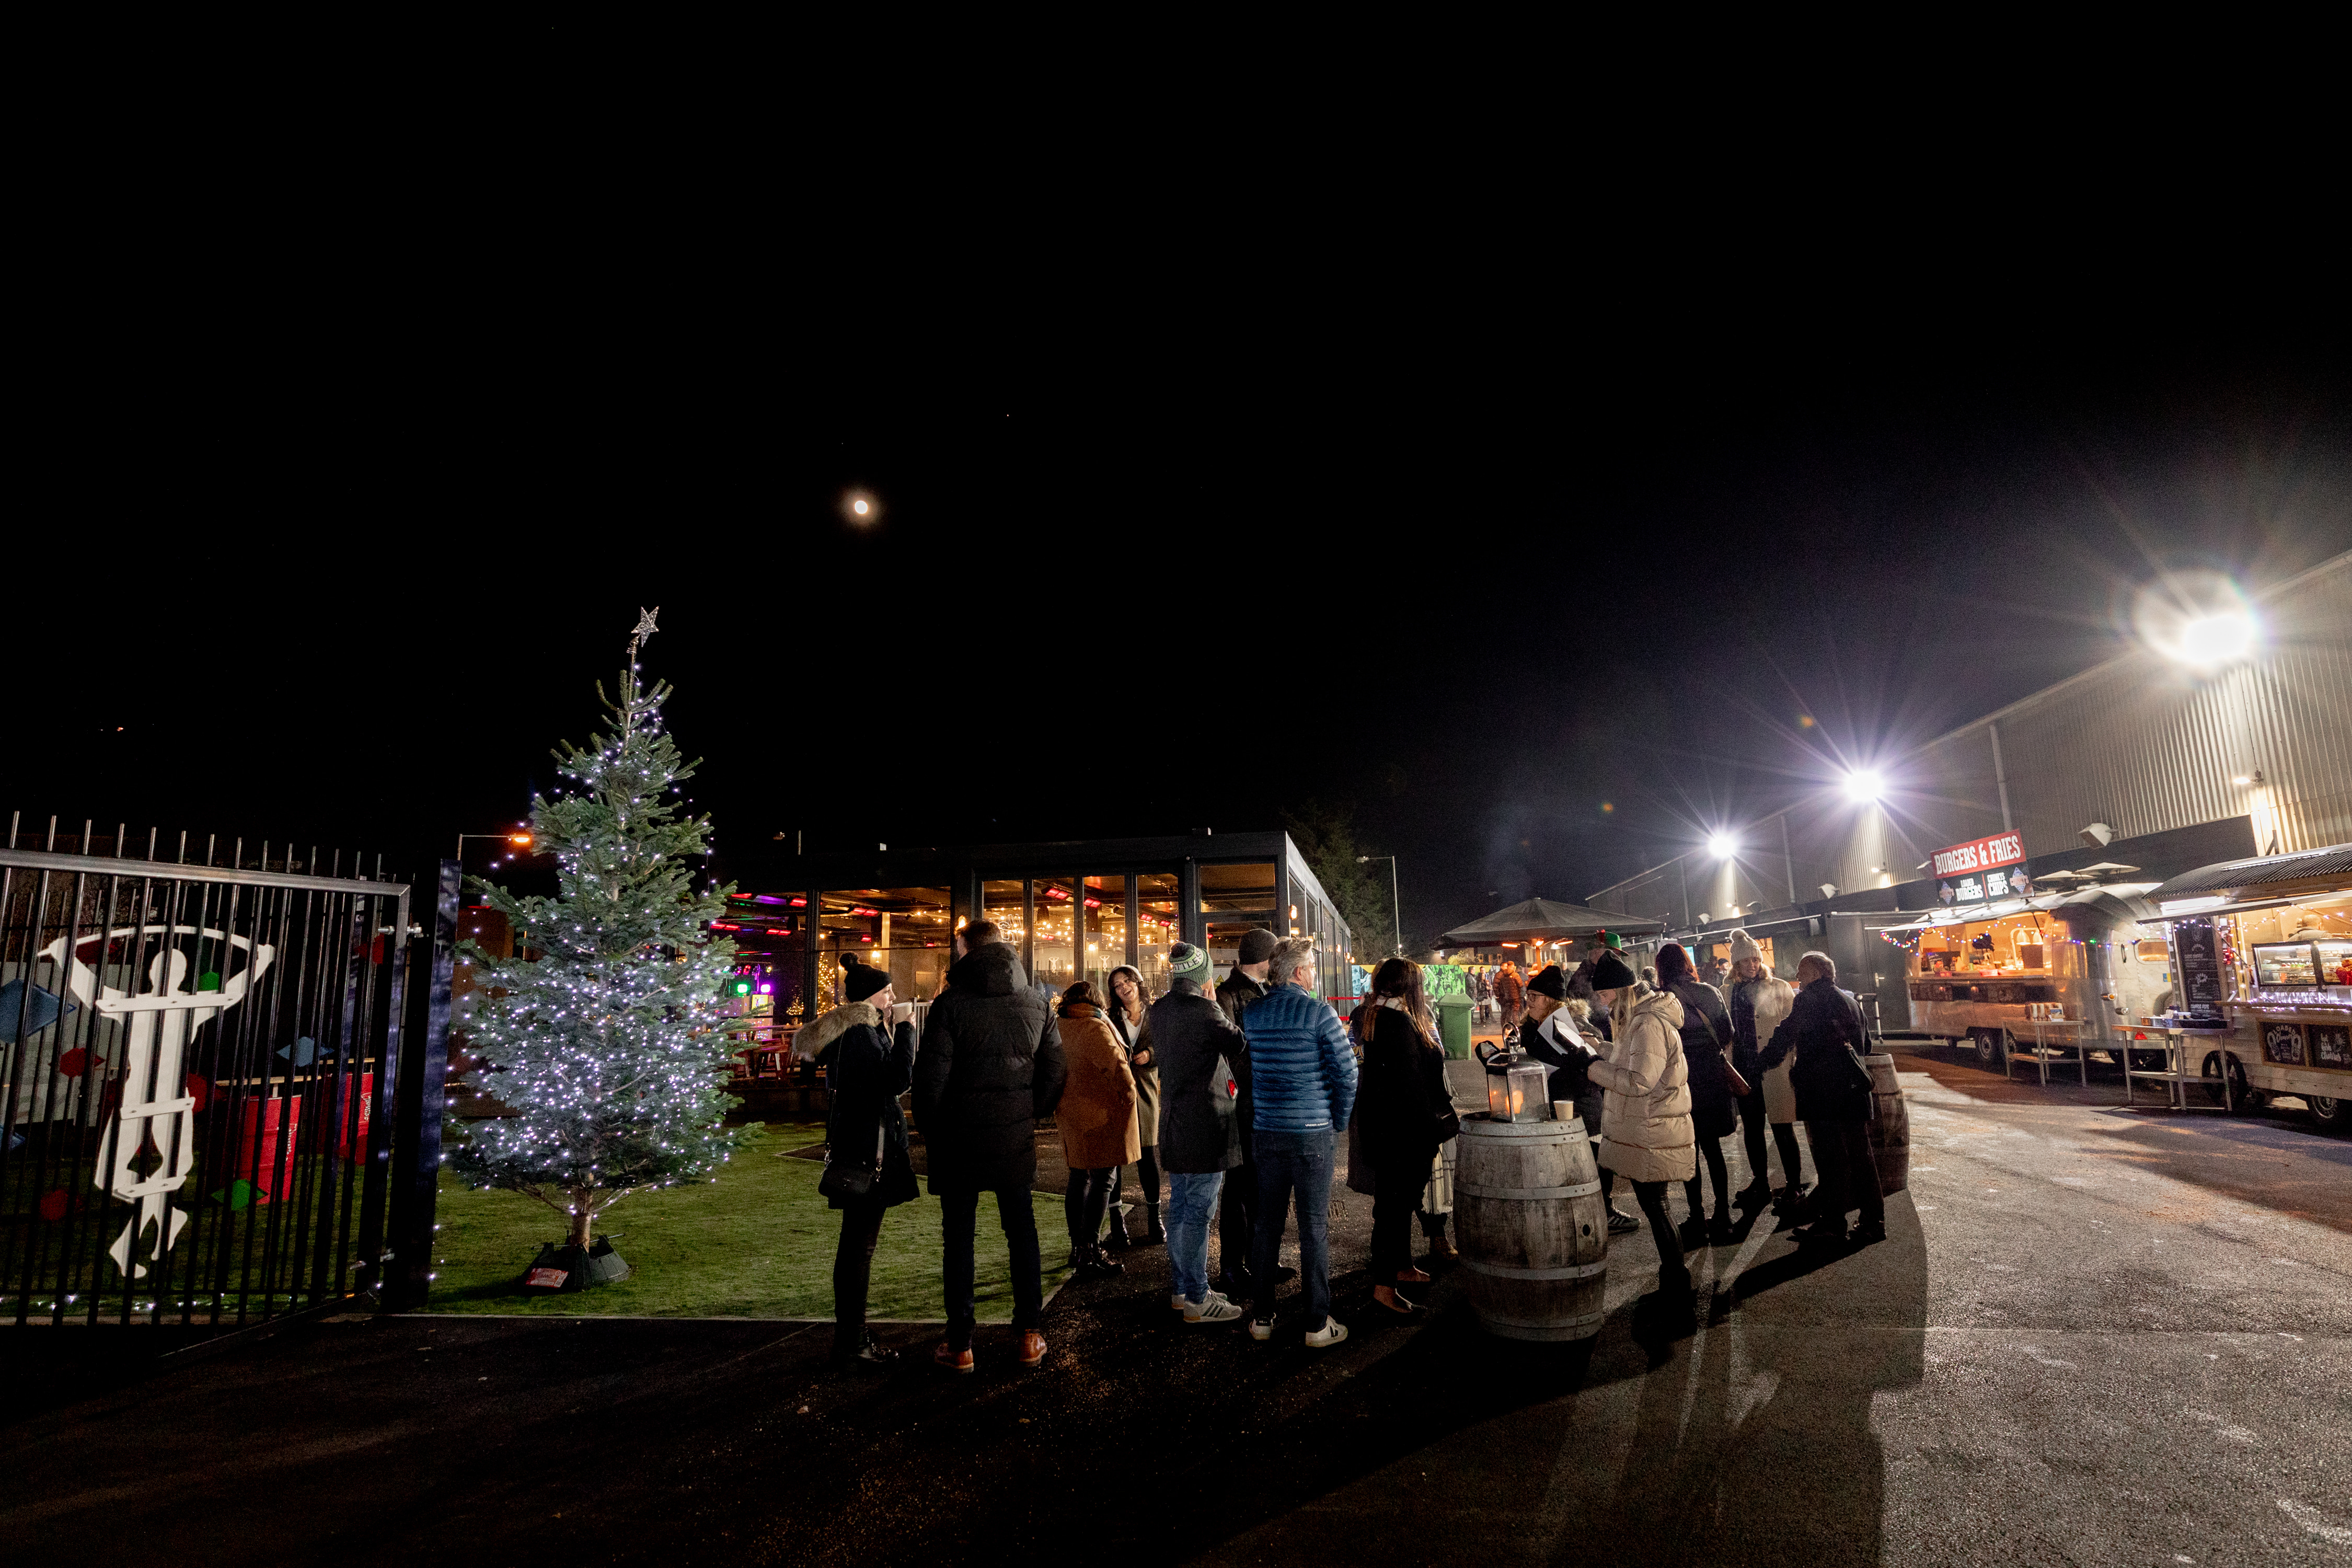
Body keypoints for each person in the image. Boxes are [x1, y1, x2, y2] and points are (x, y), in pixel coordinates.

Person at [913, 919, 1069, 1373]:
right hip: (1013, 1136)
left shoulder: (950, 1005)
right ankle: (1029, 1335)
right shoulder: (1037, 1003)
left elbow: (929, 1081)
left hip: (958, 1139)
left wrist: (934, 1129)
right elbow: (1055, 1071)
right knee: (1022, 1233)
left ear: (967, 949)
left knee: (959, 1240)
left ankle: (961, 1343)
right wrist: (1028, 1112)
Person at [1242, 937, 1358, 1348]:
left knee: (1266, 1225)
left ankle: (1262, 1318)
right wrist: (1338, 1119)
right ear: (1297, 972)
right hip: (1312, 1133)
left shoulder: (1253, 1014)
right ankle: (1315, 1323)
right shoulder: (1319, 1013)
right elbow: (1346, 1074)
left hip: (1268, 1132)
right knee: (1313, 1228)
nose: (1314, 973)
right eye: (1310, 966)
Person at [816, 962, 919, 1368]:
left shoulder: (853, 1031)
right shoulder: (860, 1033)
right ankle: (852, 1341)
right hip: (866, 1153)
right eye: (888, 993)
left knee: (856, 1246)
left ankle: (852, 1335)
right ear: (870, 996)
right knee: (859, 1248)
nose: (893, 999)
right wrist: (908, 1029)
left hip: (855, 1146)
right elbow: (895, 1079)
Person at [1584, 949, 1695, 1291]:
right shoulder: (1638, 1018)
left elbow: (1639, 1081)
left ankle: (1677, 1283)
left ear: (1622, 990)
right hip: (1649, 1125)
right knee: (1655, 1206)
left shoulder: (1648, 1022)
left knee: (1658, 1208)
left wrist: (1591, 1068)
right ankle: (1675, 1279)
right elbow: (1628, 1061)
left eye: (1604, 995)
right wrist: (1598, 1049)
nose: (1602, 1003)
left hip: (1653, 1127)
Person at [1148, 941, 1248, 1323]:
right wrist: (1212, 1001)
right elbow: (1238, 1042)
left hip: (1174, 1122)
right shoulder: (1206, 1010)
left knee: (1180, 1207)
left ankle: (1182, 1287)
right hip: (1206, 1124)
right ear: (1202, 975)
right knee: (1198, 1214)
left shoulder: (1160, 1009)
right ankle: (1197, 1296)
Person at [1757, 951, 1885, 1248]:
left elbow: (1784, 1036)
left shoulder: (1807, 1000)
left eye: (1802, 973)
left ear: (1816, 974)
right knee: (1862, 1158)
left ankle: (1832, 1224)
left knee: (1831, 1161)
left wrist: (1758, 1064)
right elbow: (1864, 1045)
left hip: (1823, 1093)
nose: (1799, 979)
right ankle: (1872, 1222)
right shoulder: (1852, 1002)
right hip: (1854, 1091)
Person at [1352, 958, 1456, 1319]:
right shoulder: (1398, 1023)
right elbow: (1411, 1087)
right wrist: (1431, 1131)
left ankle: (1400, 1267)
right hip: (1405, 1133)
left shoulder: (1371, 1016)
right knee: (1395, 1210)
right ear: (1409, 987)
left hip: (1384, 1129)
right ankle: (1385, 1288)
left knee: (1392, 1205)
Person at [1053, 979, 1140, 1281]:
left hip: (1071, 1111)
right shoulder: (1095, 1027)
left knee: (1078, 1177)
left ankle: (1078, 1247)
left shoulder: (1060, 1025)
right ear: (1095, 1001)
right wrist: (1130, 1099)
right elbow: (1118, 1068)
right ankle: (1091, 1249)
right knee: (1104, 1177)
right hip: (1101, 1113)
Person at [1656, 943, 1738, 1246]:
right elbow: (1728, 1033)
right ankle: (1723, 1215)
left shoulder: (1664, 999)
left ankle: (1696, 1217)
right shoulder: (1710, 992)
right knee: (1713, 1150)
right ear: (1687, 963)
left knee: (1690, 1150)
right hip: (1713, 1076)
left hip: (1684, 1079)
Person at [1213, 926, 1277, 1300]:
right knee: (1238, 1189)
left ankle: (1258, 1261)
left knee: (1258, 1188)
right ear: (1265, 959)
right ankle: (1232, 1267)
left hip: (1258, 1103)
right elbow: (1231, 1054)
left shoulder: (1259, 991)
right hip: (1242, 1106)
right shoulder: (1229, 995)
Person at [1721, 930, 1801, 1214]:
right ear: (1736, 965)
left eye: (1756, 960)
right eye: (1746, 962)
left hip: (1774, 1068)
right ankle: (1761, 1183)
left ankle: (1794, 1185)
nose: (1752, 965)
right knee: (1753, 1130)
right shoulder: (1727, 991)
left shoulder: (1779, 987)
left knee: (1782, 1128)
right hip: (1743, 1070)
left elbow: (1793, 1030)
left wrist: (1791, 1062)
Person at [1101, 963, 1163, 1250]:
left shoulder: (1157, 1013)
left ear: (1138, 982)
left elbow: (1167, 1045)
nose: (1124, 987)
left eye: (1127, 981)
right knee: (1114, 1156)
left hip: (1147, 1090)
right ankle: (1117, 1223)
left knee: (1148, 1156)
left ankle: (1155, 1218)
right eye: (1117, 985)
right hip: (1118, 1092)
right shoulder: (1110, 1016)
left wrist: (1150, 1054)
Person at [1494, 961, 1525, 1033]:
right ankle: (1516, 1029)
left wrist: (1500, 995)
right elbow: (1520, 985)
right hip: (1516, 998)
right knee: (1515, 1013)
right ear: (1513, 967)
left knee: (1507, 1013)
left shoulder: (1503, 975)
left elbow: (1500, 987)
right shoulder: (1515, 975)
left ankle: (1508, 1028)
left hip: (1506, 998)